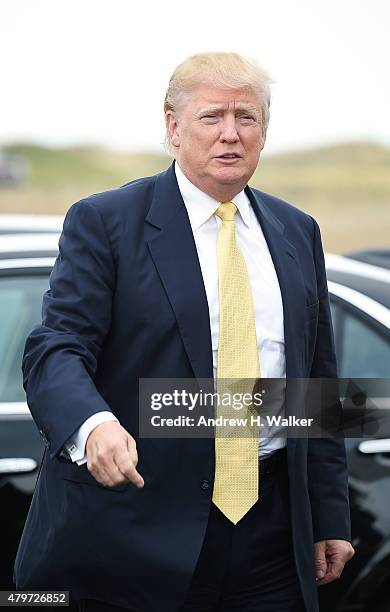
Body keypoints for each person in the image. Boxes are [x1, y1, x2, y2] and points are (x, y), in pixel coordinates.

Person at [14, 52, 354, 612]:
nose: (230, 134)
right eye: (211, 117)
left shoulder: (298, 230)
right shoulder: (106, 221)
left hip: (271, 538)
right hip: (135, 534)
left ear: (264, 131)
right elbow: (56, 348)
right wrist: (93, 424)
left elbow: (315, 381)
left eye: (246, 118)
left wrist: (328, 513)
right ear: (173, 127)